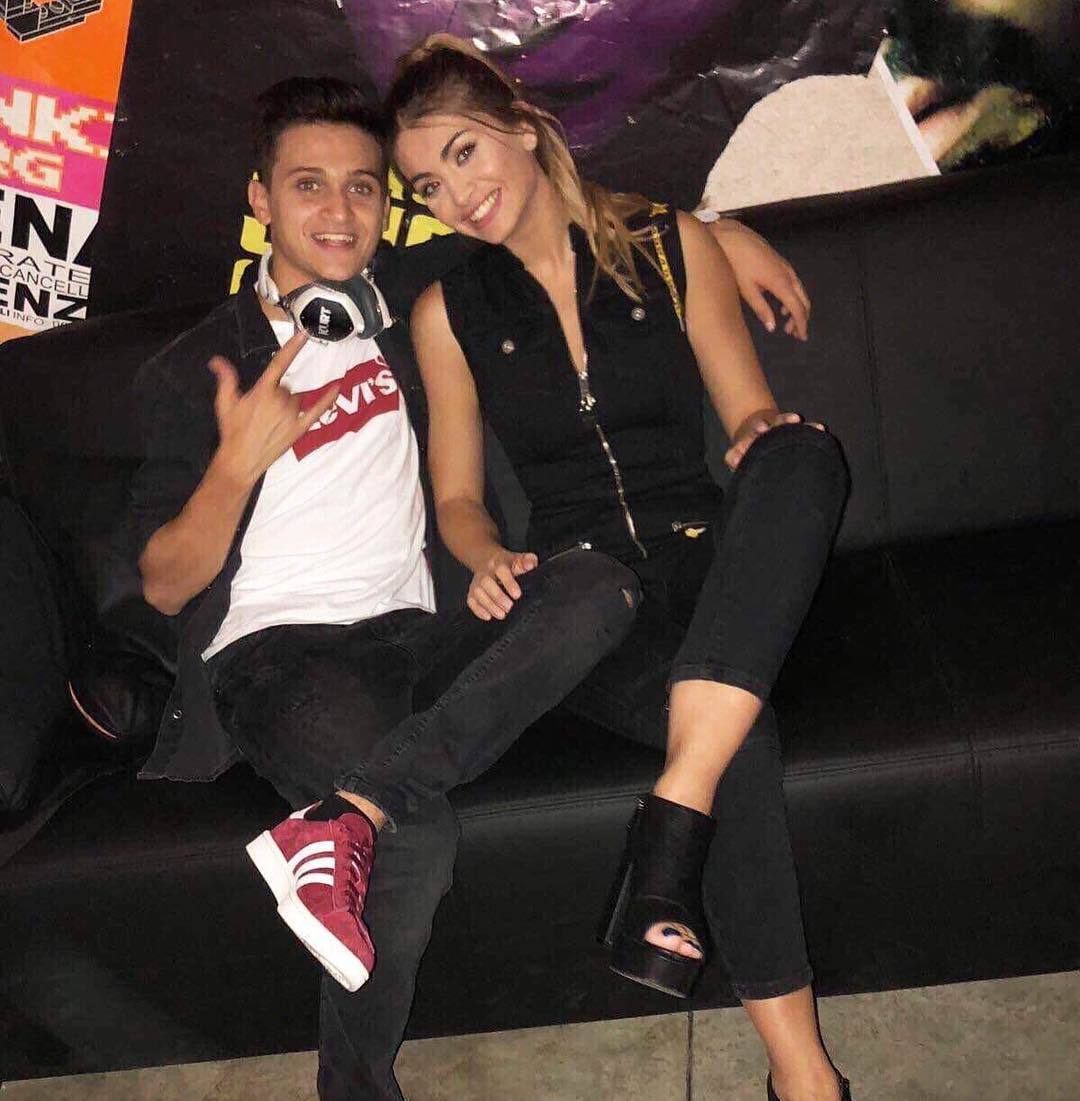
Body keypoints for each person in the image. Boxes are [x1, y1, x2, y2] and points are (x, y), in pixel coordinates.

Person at [126, 75, 819, 1100]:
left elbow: (550, 219)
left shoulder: (412, 302)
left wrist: (716, 232)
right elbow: (162, 584)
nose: (339, 211)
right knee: (414, 835)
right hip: (282, 656)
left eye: (365, 187)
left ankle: (360, 804)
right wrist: (237, 464)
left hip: (423, 638)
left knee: (592, 586)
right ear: (260, 197)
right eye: (308, 185)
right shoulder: (199, 366)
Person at [387, 36, 852, 1101]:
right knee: (738, 733)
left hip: (710, 562)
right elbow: (456, 498)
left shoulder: (670, 247)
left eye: (464, 152)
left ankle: (674, 801)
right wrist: (485, 553)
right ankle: (805, 1078)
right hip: (587, 598)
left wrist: (760, 434)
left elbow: (747, 411)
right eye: (428, 185)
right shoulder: (448, 311)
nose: (456, 194)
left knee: (805, 452)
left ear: (520, 126)